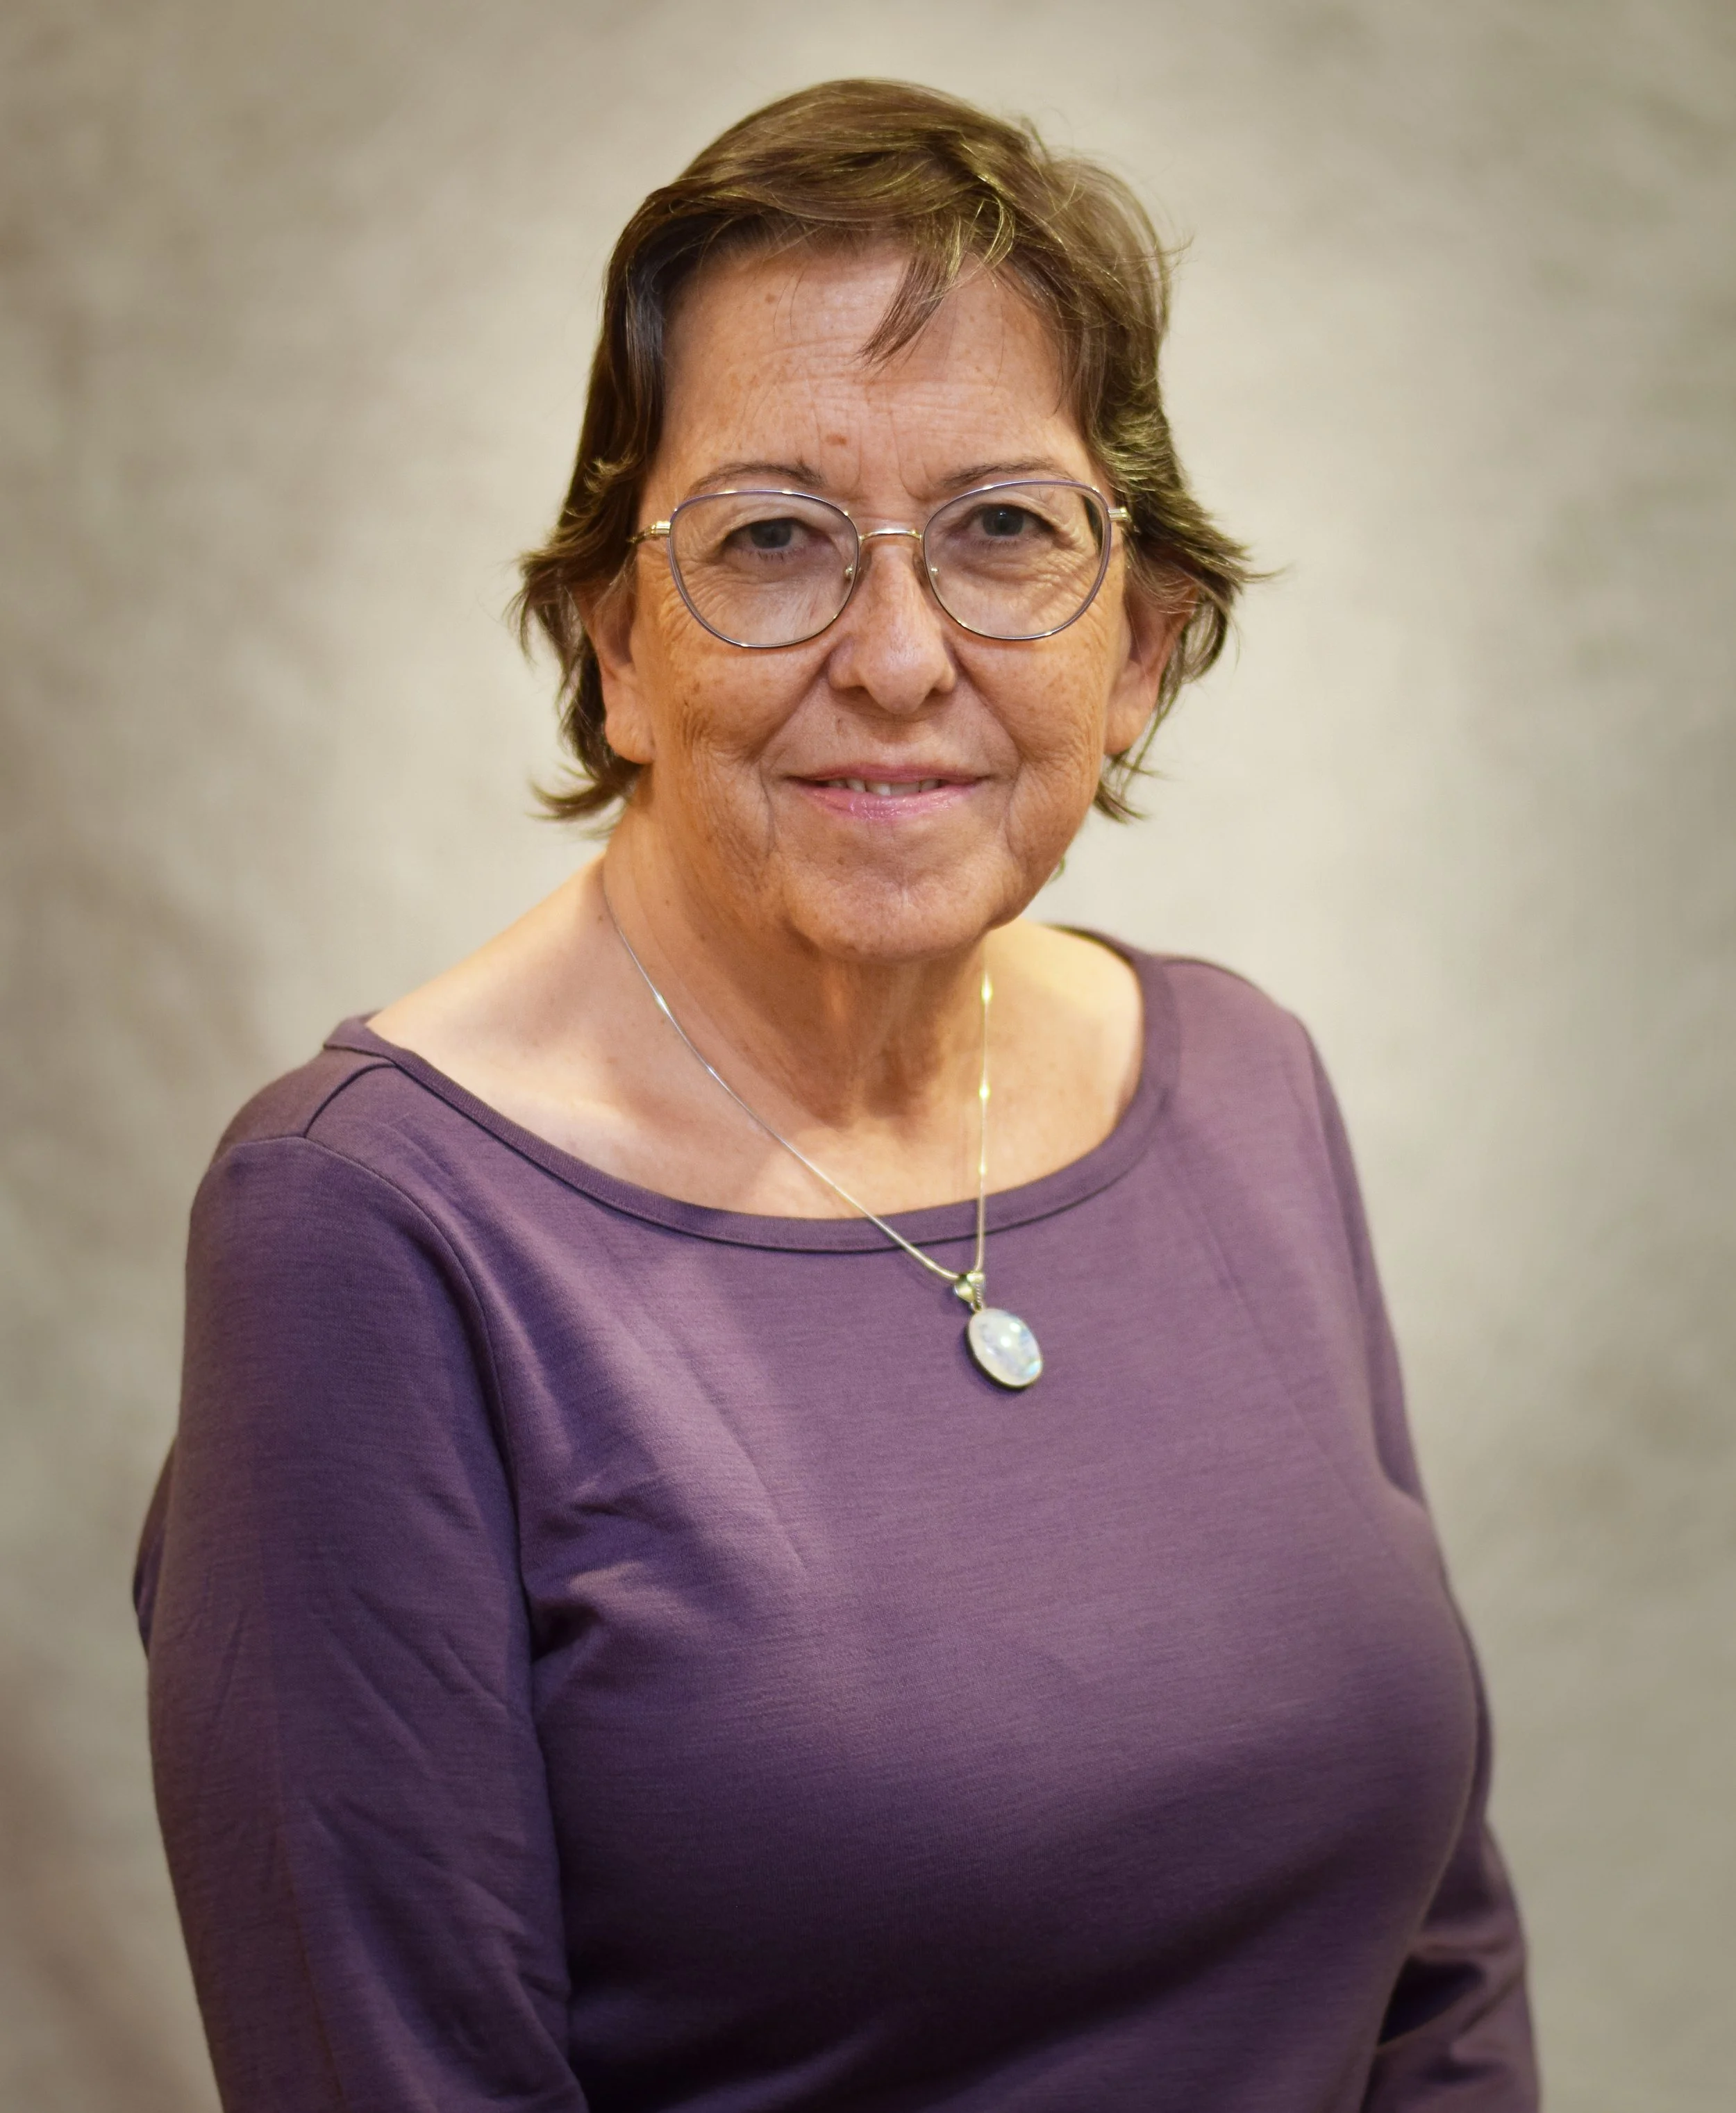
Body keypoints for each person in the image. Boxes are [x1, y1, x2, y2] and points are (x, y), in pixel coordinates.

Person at [136, 78, 1537, 2112]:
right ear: (616, 646)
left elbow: (1439, 1971)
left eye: (999, 533)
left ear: (1138, 645)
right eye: (774, 537)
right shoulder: (365, 1229)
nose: (894, 656)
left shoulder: (1240, 1081)